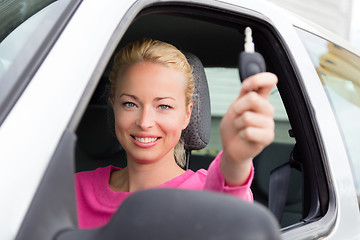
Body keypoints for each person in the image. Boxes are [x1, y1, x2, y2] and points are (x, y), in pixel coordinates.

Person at [75, 38, 277, 229]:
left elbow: (230, 213)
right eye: (130, 104)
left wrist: (235, 160)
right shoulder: (72, 189)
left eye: (163, 106)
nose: (145, 122)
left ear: (186, 115)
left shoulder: (204, 194)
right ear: (114, 108)